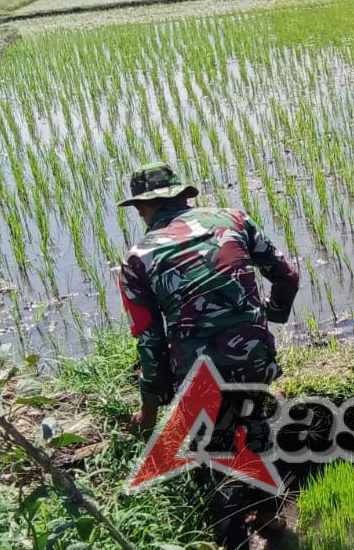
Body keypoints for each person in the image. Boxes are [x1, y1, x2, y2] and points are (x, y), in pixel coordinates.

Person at [116, 163, 299, 549]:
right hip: (255, 355)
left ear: (142, 209)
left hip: (203, 375)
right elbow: (287, 276)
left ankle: (235, 539)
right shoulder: (234, 219)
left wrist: (151, 410)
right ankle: (270, 518)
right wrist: (270, 315)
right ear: (184, 196)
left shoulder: (137, 259)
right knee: (254, 425)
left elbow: (149, 342)